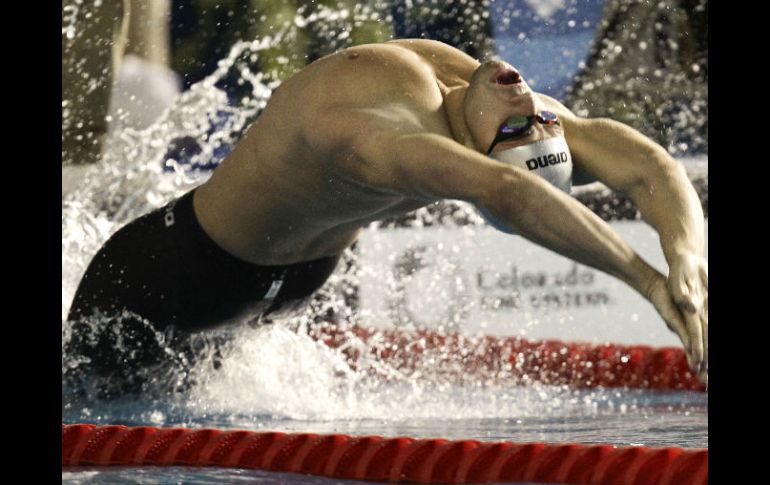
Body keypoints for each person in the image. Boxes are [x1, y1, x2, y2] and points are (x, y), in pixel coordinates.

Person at [66, 39, 708, 391]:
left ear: (477, 155)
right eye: (540, 119)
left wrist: (662, 267)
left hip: (208, 280)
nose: (529, 103)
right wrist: (669, 266)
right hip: (221, 276)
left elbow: (519, 193)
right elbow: (650, 167)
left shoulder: (420, 138)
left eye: (521, 125)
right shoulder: (462, 108)